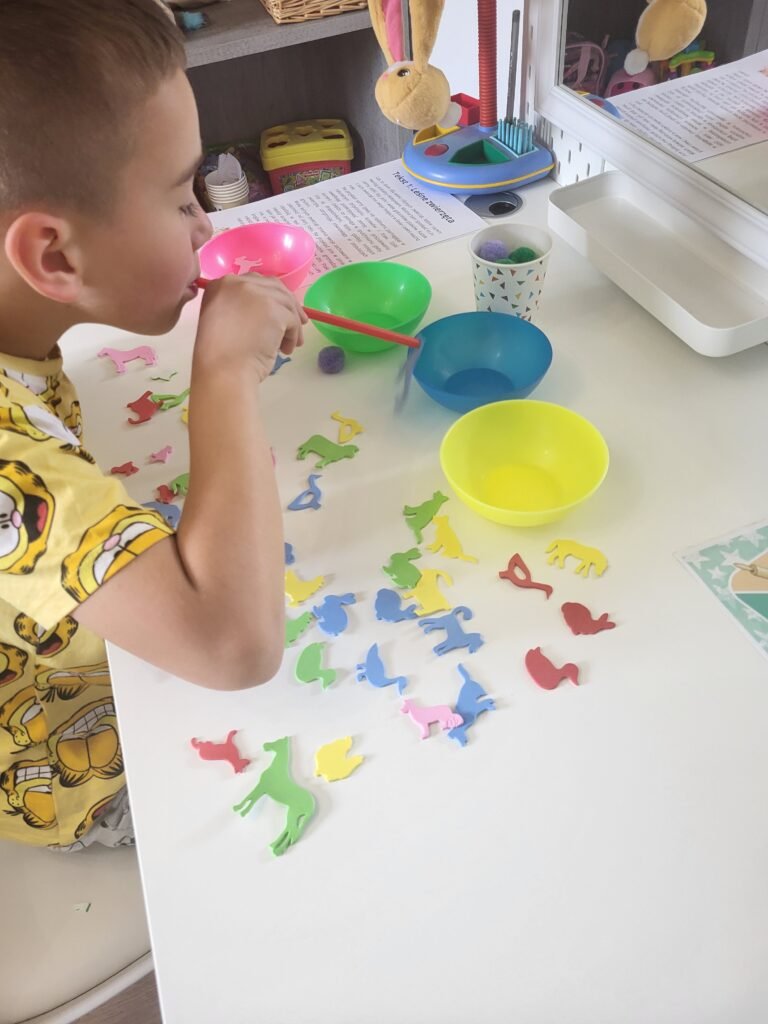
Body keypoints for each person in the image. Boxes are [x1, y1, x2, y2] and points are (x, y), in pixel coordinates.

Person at [0, 0, 305, 849]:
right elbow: (232, 647)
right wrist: (224, 374)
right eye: (181, 200)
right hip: (65, 745)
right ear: (54, 256)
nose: (207, 225)